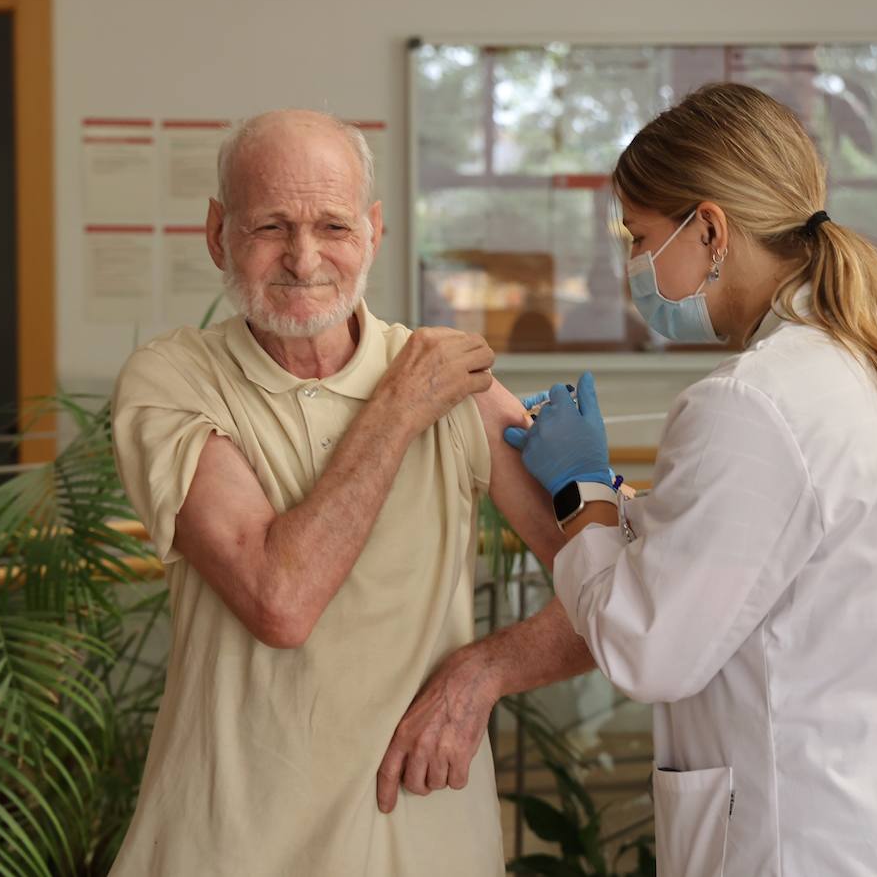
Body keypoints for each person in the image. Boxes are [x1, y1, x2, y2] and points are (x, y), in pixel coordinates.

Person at [503, 84, 877, 876]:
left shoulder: (749, 401)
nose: (633, 266)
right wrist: (631, 514)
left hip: (819, 836)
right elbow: (799, 567)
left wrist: (579, 491)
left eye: (639, 238)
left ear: (709, 228)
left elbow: (649, 649)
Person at [107, 109, 592, 877]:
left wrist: (487, 671)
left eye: (332, 226)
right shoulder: (173, 380)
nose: (304, 259)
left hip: (418, 841)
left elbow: (625, 598)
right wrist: (398, 406)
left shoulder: (453, 378)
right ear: (216, 233)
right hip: (226, 844)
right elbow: (280, 599)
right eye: (270, 226)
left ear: (372, 232)